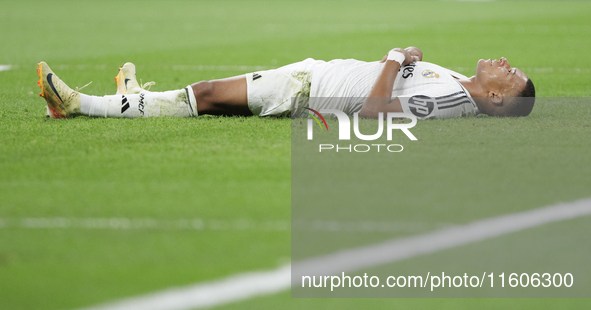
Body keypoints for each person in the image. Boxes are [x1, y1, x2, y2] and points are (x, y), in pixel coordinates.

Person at [37, 46, 535, 121]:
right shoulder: (460, 84)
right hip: (314, 76)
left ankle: (81, 104)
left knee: (208, 95)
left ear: (495, 97)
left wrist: (392, 59)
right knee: (209, 93)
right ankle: (133, 98)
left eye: (510, 76)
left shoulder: (451, 100)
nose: (506, 63)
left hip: (311, 90)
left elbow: (374, 114)